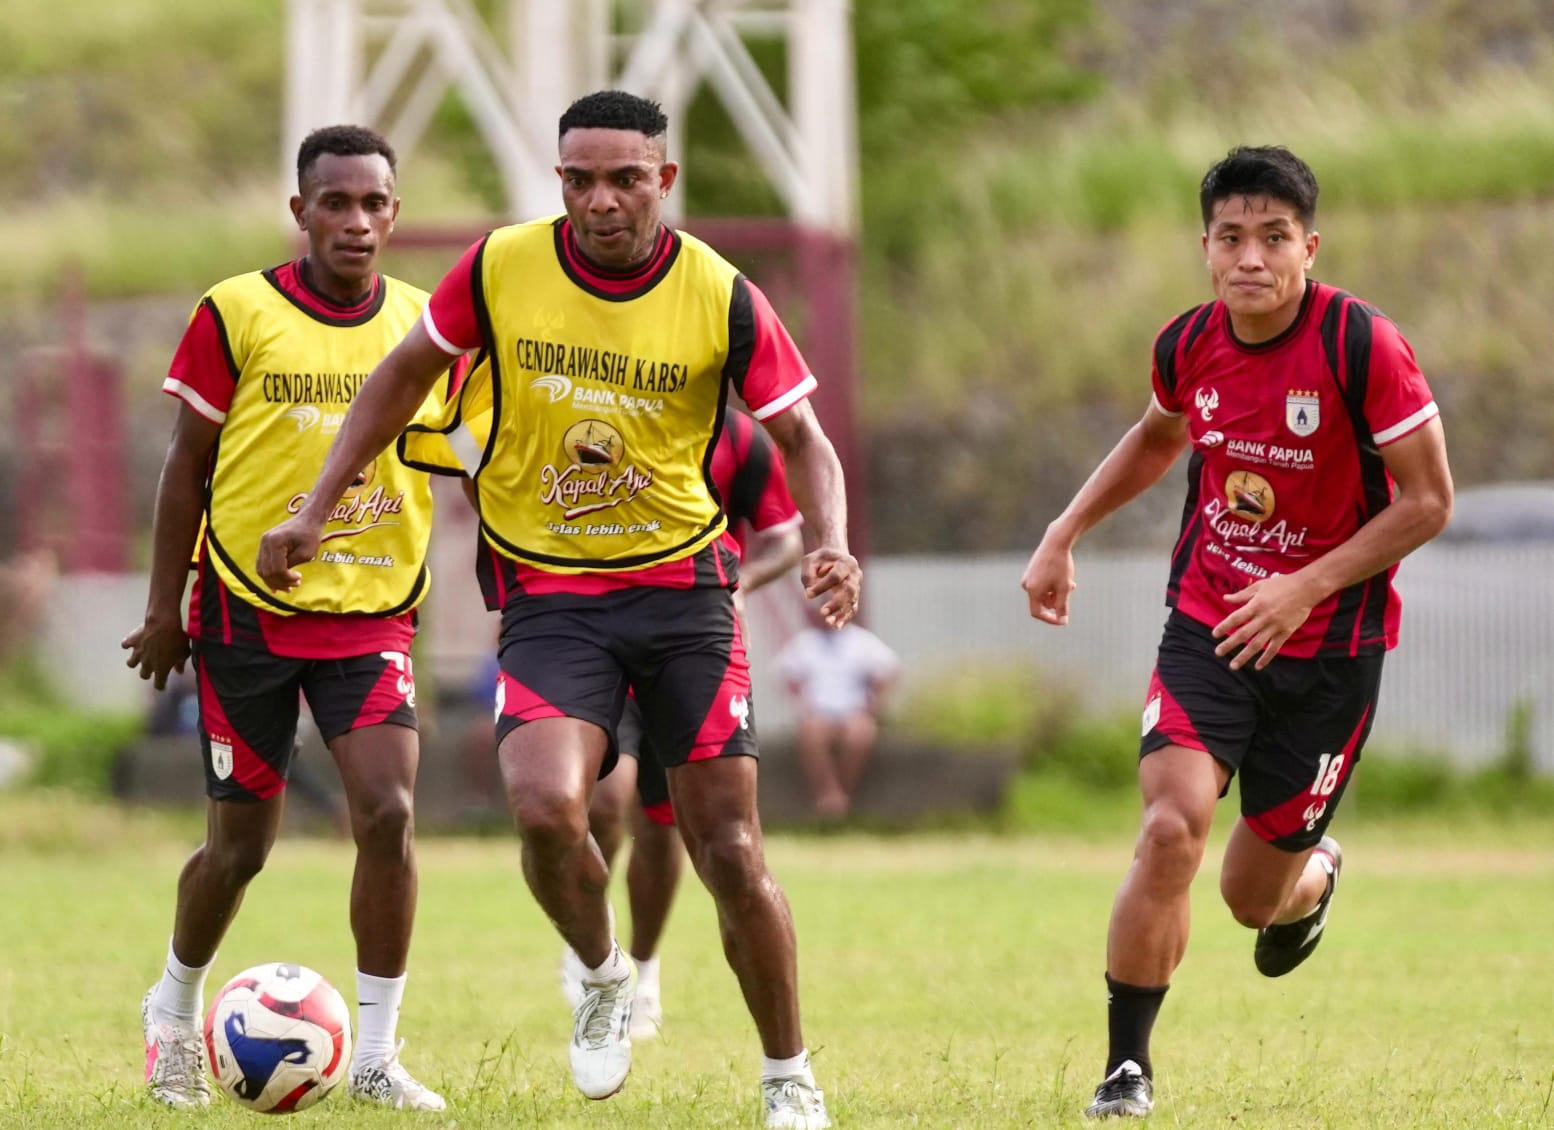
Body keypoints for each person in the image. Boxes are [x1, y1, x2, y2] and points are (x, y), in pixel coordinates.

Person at [255, 91, 859, 1129]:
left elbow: (804, 437)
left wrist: (833, 539)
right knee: (542, 808)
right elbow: (402, 376)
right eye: (579, 180)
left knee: (731, 848)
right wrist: (314, 508)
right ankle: (602, 972)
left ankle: (787, 1071)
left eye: (626, 178)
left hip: (683, 597)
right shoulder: (501, 266)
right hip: (550, 597)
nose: (601, 200)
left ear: (664, 181)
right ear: (560, 184)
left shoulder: (720, 293)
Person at [1020, 145, 1452, 1119]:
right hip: (1211, 624)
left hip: (1331, 651)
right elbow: (1156, 434)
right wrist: (1063, 531)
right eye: (1229, 237)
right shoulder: (1187, 342)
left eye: (1272, 237)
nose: (1249, 257)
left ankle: (1316, 872)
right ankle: (1126, 1069)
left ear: (1309, 245)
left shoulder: (1362, 345)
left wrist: (1306, 584)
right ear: (1205, 248)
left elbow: (1429, 500)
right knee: (1170, 828)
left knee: (1252, 897)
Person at [120, 125, 457, 1111]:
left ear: (395, 212)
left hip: (372, 611)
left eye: (374, 203)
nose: (356, 221)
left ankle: (379, 1053)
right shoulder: (235, 311)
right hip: (246, 613)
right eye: (336, 202)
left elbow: (460, 451)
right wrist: (165, 606)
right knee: (240, 849)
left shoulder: (424, 325)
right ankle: (174, 1010)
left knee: (390, 812)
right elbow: (186, 464)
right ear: (300, 209)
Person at [559, 405, 805, 1040]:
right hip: (598, 637)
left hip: (690, 645)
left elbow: (786, 534)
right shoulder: (602, 417)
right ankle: (596, 946)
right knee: (605, 801)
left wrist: (741, 582)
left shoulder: (744, 440)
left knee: (668, 819)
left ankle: (645, 966)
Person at [774, 615, 899, 821]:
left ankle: (840, 795)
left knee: (860, 735)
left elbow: (890, 671)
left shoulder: (862, 641)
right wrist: (801, 703)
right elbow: (784, 673)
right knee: (812, 736)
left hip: (854, 711)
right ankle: (829, 794)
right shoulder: (806, 642)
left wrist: (873, 705)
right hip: (819, 713)